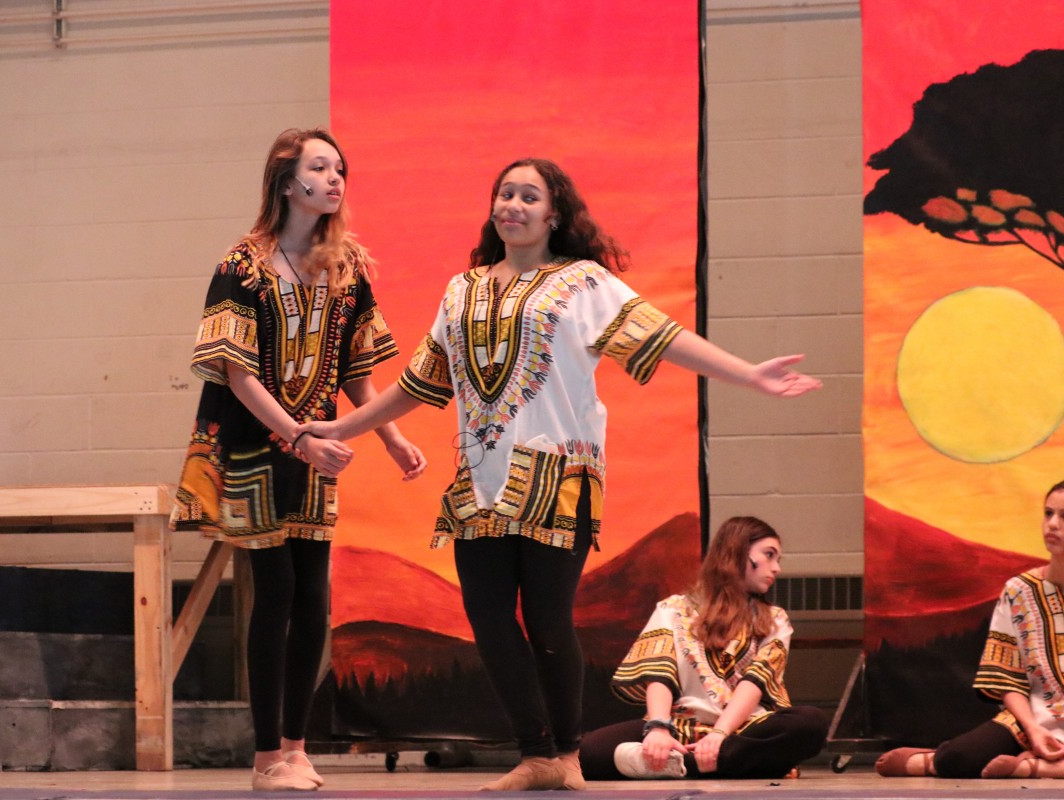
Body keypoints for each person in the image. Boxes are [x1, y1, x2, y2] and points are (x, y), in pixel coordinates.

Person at [298, 157, 821, 791]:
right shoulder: (462, 290)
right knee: (489, 621)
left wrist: (747, 374)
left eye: (529, 196)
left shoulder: (583, 282)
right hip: (479, 483)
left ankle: (567, 754)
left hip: (559, 479)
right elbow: (420, 382)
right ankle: (536, 752)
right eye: (504, 193)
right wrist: (342, 428)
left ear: (554, 214)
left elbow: (663, 337)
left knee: (547, 621)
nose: (512, 205)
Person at [170, 128, 426, 792]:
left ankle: (296, 748)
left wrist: (392, 438)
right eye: (321, 167)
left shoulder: (347, 265)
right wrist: (297, 435)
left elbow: (356, 369)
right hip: (255, 446)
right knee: (275, 589)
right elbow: (236, 372)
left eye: (341, 168)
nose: (335, 178)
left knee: (314, 595)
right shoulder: (242, 265)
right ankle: (264, 759)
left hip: (314, 449)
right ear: (288, 183)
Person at [578, 516, 829, 780]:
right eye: (769, 555)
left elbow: (755, 683)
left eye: (777, 559)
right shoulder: (673, 609)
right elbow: (659, 674)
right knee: (587, 752)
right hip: (679, 726)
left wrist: (720, 734)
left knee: (810, 723)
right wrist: (658, 729)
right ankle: (715, 763)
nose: (776, 568)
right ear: (737, 553)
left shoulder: (774, 620)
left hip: (742, 730)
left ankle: (676, 764)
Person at [876, 479, 1064, 780]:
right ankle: (935, 760)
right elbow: (1007, 677)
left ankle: (1032, 767)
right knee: (959, 759)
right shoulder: (1019, 591)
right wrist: (1032, 728)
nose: (1052, 524)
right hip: (1036, 715)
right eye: (1048, 513)